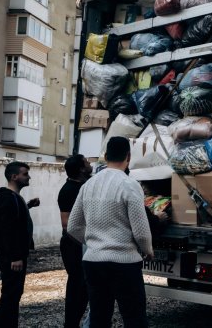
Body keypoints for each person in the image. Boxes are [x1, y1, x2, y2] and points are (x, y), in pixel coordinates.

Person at [67, 137, 154, 328]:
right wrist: (147, 249)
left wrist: (94, 243)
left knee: (99, 317)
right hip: (124, 263)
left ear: (105, 156)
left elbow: (73, 226)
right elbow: (140, 231)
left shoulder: (88, 185)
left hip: (93, 262)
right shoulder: (130, 185)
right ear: (128, 157)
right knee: (134, 318)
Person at [0, 161, 40, 327]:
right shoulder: (7, 199)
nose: (29, 177)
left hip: (14, 255)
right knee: (10, 294)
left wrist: (28, 205)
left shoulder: (13, 198)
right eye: (25, 174)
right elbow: (7, 230)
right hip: (11, 257)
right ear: (14, 177)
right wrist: (15, 257)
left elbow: (15, 218)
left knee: (14, 292)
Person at [58, 154, 93, 328]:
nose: (90, 163)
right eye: (86, 162)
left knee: (86, 286)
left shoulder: (86, 185)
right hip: (74, 245)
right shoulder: (69, 190)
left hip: (84, 244)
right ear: (81, 168)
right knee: (77, 286)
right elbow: (67, 224)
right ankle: (70, 324)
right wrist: (87, 243)